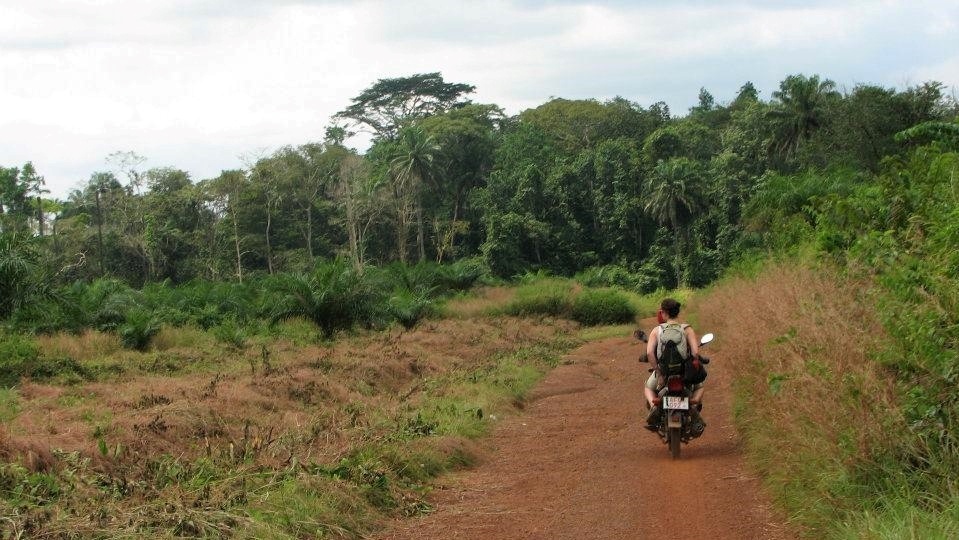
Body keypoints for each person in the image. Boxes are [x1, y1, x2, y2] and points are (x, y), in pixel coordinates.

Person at [643, 298, 706, 433]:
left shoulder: (657, 330)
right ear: (677, 312)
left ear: (664, 313)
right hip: (683, 373)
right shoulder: (687, 329)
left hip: (664, 373)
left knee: (648, 388)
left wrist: (659, 373)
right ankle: (693, 407)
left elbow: (649, 353)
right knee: (700, 386)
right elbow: (695, 352)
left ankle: (654, 408)